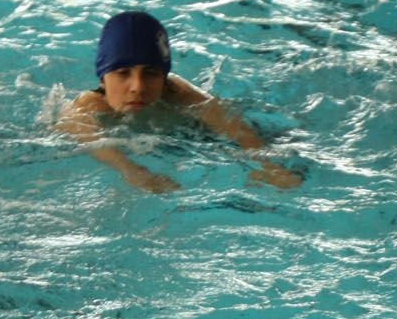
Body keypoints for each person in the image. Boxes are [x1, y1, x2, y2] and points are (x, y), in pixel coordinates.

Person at [56, 11, 303, 195]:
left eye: (150, 73)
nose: (138, 87)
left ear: (164, 75)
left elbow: (236, 128)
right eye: (123, 73)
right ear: (103, 76)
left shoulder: (179, 93)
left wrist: (269, 164)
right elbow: (94, 144)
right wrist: (132, 170)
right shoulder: (86, 107)